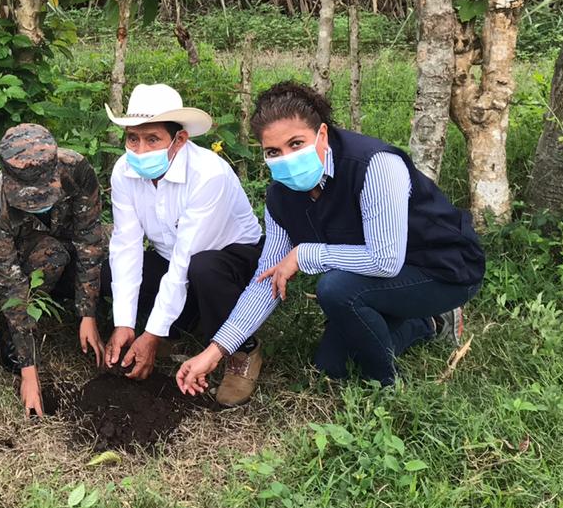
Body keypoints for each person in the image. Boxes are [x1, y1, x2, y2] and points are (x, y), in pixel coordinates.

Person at [177, 81, 486, 402]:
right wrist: (215, 351)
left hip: (442, 269)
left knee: (336, 289)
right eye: (273, 152)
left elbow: (385, 260)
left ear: (322, 135)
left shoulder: (375, 165)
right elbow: (266, 280)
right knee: (332, 364)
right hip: (385, 279)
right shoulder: (280, 197)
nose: (286, 158)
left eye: (296, 143)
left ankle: (387, 386)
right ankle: (430, 322)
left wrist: (304, 254)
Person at [103, 83, 263, 387]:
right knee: (108, 269)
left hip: (232, 259)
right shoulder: (124, 170)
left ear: (180, 139)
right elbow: (126, 244)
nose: (140, 150)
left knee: (202, 268)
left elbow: (185, 259)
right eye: (132, 139)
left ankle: (242, 349)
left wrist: (150, 334)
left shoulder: (208, 175)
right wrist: (123, 321)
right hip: (174, 258)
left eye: (152, 140)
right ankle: (182, 323)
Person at [0, 123, 107, 417]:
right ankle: (16, 340)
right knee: (52, 256)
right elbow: (13, 285)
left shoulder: (78, 171)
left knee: (109, 241)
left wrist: (87, 314)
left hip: (59, 229)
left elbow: (89, 239)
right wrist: (29, 372)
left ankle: (74, 302)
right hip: (16, 249)